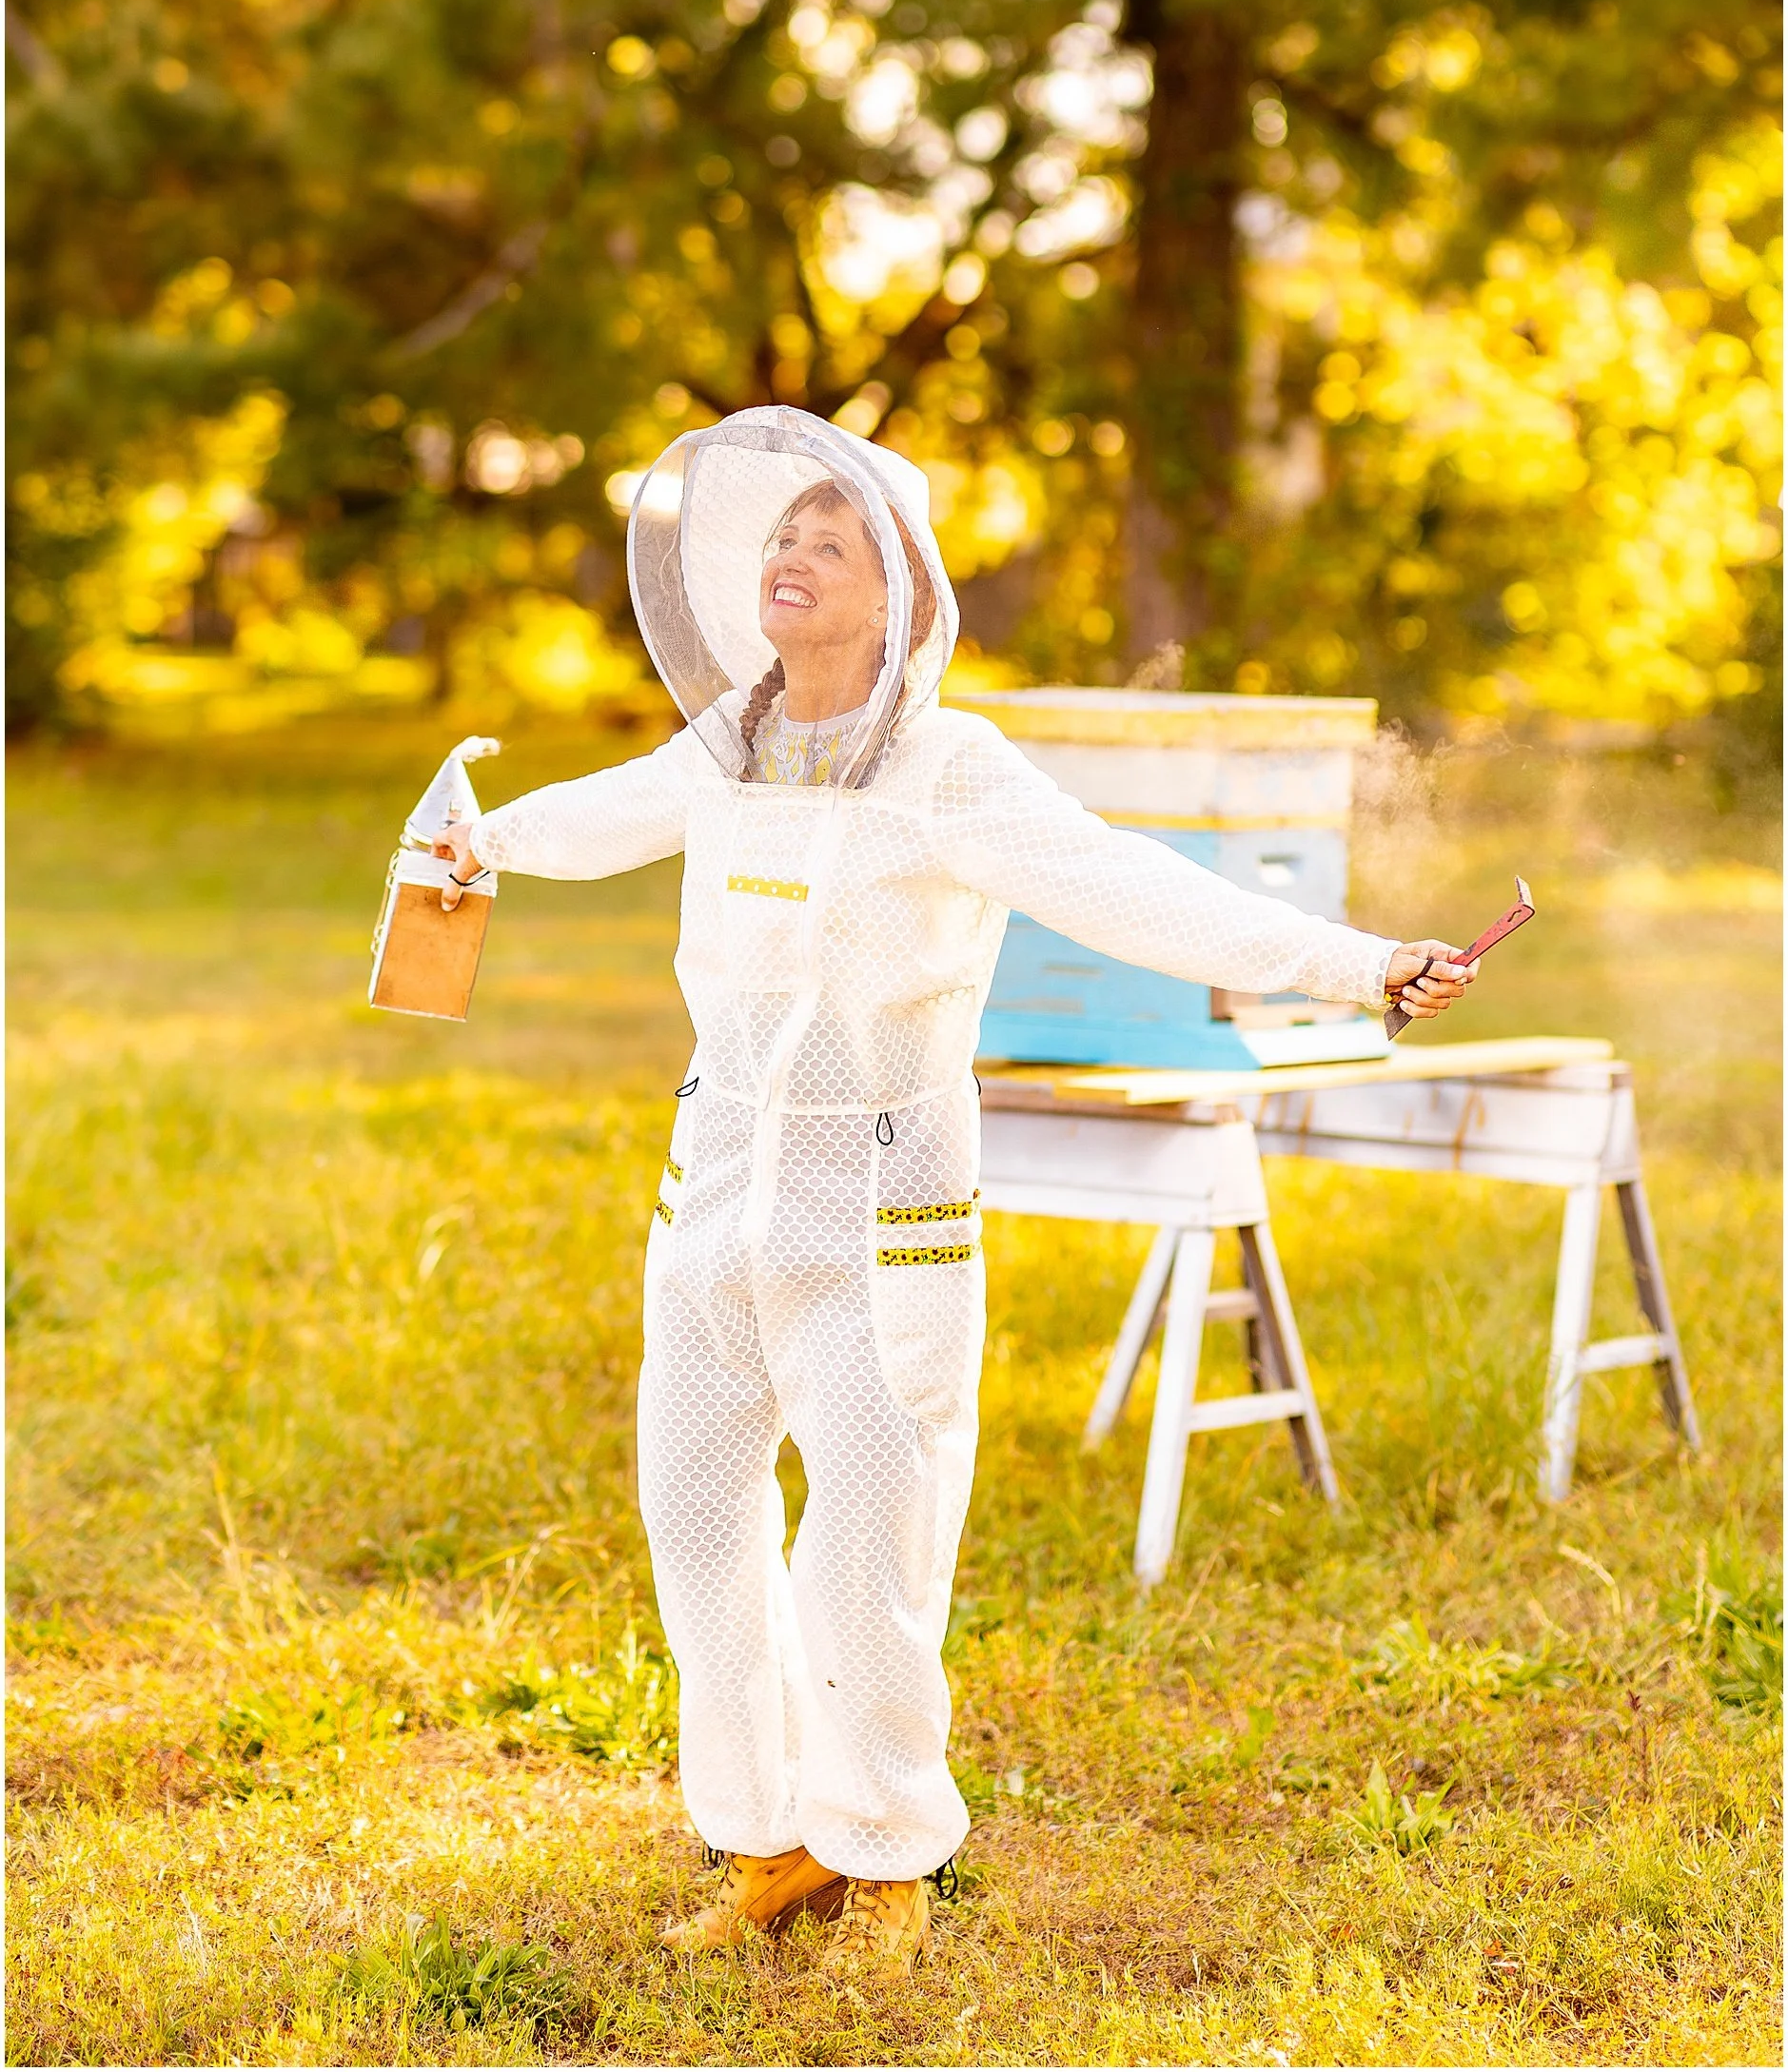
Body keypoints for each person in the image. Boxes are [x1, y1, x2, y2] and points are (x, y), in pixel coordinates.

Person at [431, 406, 1476, 1978]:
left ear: (898, 590)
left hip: (879, 1209)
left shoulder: (945, 768)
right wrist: (472, 843)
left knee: (869, 1539)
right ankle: (769, 1839)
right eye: (778, 535)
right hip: (711, 1189)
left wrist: (1359, 964)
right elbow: (597, 819)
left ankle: (889, 1860)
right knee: (696, 1525)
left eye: (826, 541)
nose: (787, 556)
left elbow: (1139, 889)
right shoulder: (722, 750)